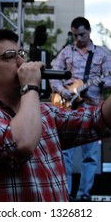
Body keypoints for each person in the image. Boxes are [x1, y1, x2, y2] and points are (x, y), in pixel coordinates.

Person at [0, 28, 111, 202]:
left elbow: (98, 119)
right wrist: (30, 87)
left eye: (21, 53)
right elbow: (21, 143)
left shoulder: (44, 112)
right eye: (10, 56)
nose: (22, 61)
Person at [50, 17, 111, 201]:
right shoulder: (66, 52)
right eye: (75, 35)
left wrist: (102, 82)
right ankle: (66, 195)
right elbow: (53, 75)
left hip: (92, 109)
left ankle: (84, 196)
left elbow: (110, 80)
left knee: (90, 157)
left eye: (82, 34)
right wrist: (63, 91)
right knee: (64, 155)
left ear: (90, 31)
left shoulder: (103, 54)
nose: (79, 38)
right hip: (67, 109)